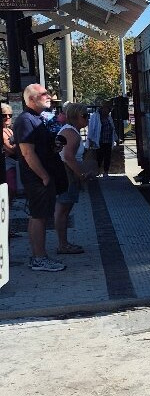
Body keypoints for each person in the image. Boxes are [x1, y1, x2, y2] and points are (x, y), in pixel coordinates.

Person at [13, 84, 68, 272]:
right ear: (30, 100)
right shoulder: (25, 120)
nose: (49, 96)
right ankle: (39, 258)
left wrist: (54, 147)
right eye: (43, 94)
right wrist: (44, 176)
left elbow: (42, 148)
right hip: (37, 178)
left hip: (44, 175)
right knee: (39, 216)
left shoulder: (38, 118)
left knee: (40, 215)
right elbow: (28, 153)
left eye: (48, 93)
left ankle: (38, 256)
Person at [53, 103, 91, 255]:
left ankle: (63, 243)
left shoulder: (70, 131)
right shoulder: (72, 133)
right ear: (76, 117)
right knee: (62, 210)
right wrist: (80, 175)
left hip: (66, 174)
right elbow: (68, 157)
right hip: (67, 174)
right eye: (85, 116)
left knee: (63, 210)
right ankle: (63, 245)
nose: (88, 119)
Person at [86, 100, 118, 178]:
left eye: (110, 110)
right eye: (108, 109)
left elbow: (112, 128)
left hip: (108, 140)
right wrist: (90, 139)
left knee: (107, 157)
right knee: (99, 157)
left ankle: (106, 172)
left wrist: (116, 138)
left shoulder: (109, 117)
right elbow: (91, 129)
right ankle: (96, 172)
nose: (108, 111)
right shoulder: (95, 116)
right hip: (99, 141)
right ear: (103, 108)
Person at [2, 103, 19, 195]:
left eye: (10, 115)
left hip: (12, 162)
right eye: (4, 115)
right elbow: (11, 149)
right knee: (11, 188)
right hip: (6, 164)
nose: (8, 117)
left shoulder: (9, 130)